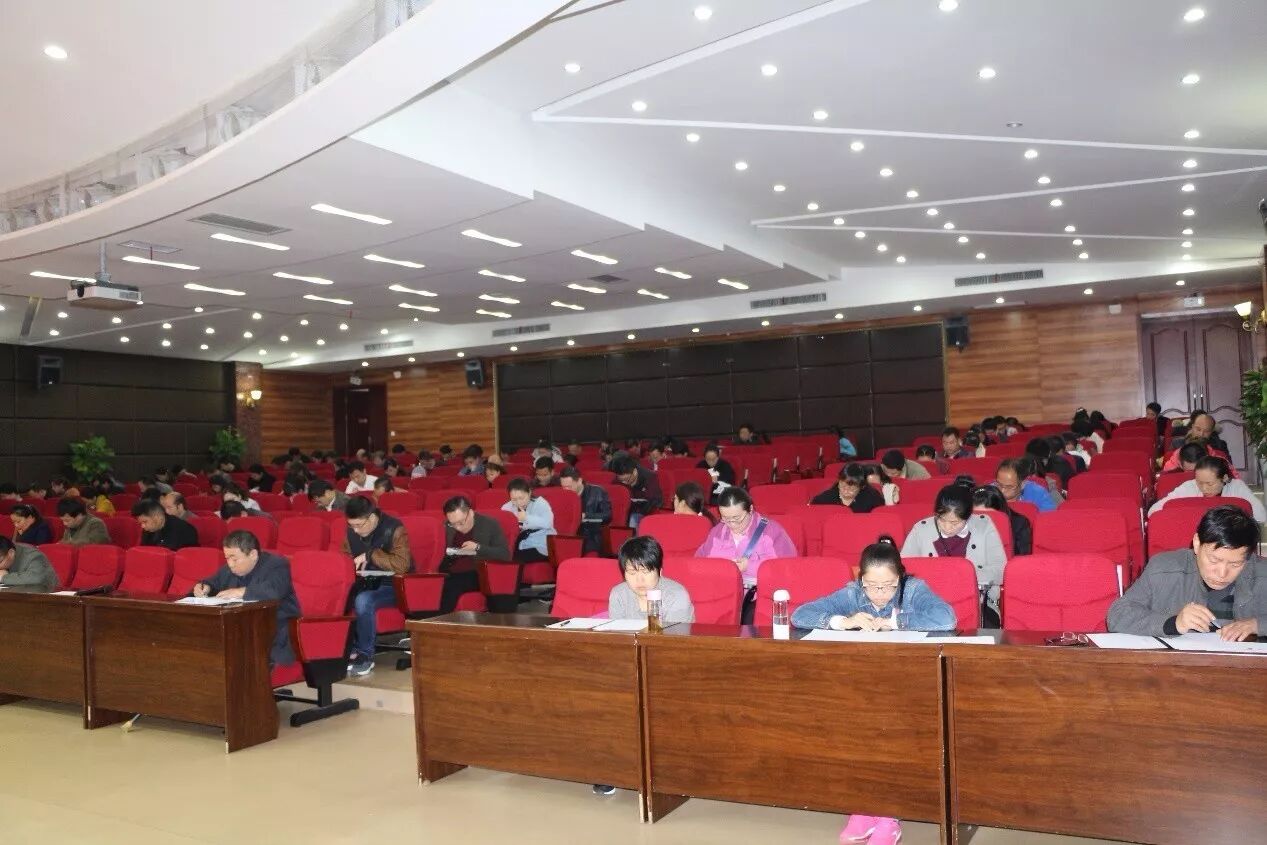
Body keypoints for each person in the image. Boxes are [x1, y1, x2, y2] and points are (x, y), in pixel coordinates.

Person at [1108, 506, 1266, 640]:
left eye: (1235, 564)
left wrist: (1257, 624)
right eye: (1214, 560)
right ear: (1197, 543)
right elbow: (1118, 615)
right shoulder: (1163, 569)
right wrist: (1174, 623)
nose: (1222, 573)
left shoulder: (1262, 573)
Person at [792, 536, 956, 632]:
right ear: (861, 578)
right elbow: (799, 615)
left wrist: (894, 622)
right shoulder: (854, 593)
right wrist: (843, 622)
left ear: (899, 577)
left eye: (888, 585)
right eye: (871, 585)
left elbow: (946, 618)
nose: (879, 593)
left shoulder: (912, 590)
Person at [191, 530, 300, 666]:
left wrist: (241, 592)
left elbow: (274, 591)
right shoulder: (229, 569)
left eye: (234, 559)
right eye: (227, 558)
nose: (230, 564)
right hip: (240, 630)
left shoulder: (277, 565)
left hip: (273, 632)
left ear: (253, 554)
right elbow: (212, 582)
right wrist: (204, 586)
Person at [901, 485, 1007, 621]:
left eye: (954, 523)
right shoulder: (921, 529)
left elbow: (1001, 570)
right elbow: (903, 569)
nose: (947, 527)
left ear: (968, 517)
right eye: (941, 519)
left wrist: (961, 578)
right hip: (930, 604)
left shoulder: (984, 526)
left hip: (979, 603)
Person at [342, 496, 413, 676]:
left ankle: (365, 655)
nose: (355, 530)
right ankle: (348, 648)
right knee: (339, 594)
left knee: (364, 600)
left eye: (359, 525)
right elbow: (344, 558)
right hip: (365, 582)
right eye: (351, 525)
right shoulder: (352, 532)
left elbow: (402, 565)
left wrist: (371, 555)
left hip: (395, 586)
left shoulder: (394, 529)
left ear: (372, 517)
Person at [695, 487, 797, 605]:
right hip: (720, 596)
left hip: (759, 599)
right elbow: (698, 563)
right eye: (725, 518)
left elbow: (787, 568)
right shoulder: (717, 533)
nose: (732, 524)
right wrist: (721, 568)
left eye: (737, 518)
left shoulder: (771, 531)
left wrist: (749, 566)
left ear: (750, 509)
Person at [439, 496, 511, 613]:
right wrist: (452, 552)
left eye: (461, 522)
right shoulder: (447, 526)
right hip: (451, 571)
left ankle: (437, 622)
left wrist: (478, 547)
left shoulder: (489, 524)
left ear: (471, 513)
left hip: (479, 572)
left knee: (451, 586)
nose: (458, 527)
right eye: (453, 524)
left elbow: (504, 554)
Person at [607, 535, 695, 624]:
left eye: (646, 572)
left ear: (660, 572)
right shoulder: (619, 594)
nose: (640, 580)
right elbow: (617, 631)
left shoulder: (676, 595)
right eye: (632, 572)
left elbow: (675, 632)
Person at [1148, 456, 1266, 522]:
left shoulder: (1237, 487)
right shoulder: (1189, 487)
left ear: (1224, 478)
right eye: (1199, 483)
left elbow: (1261, 515)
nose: (1204, 489)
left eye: (1210, 484)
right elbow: (1154, 511)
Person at [558, 467, 612, 555]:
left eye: (569, 486)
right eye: (563, 487)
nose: (566, 490)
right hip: (569, 535)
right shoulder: (562, 495)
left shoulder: (598, 492)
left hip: (591, 534)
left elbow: (607, 516)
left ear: (579, 481)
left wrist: (586, 516)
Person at [501, 478, 556, 563]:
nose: (518, 502)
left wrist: (527, 518)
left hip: (541, 542)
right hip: (518, 543)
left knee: (517, 559)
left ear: (529, 493)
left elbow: (548, 523)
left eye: (521, 498)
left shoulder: (540, 503)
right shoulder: (506, 507)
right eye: (514, 499)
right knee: (504, 556)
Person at [972, 484, 1032, 556]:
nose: (981, 519)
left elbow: (1022, 557)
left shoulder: (1019, 523)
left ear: (1000, 510)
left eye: (988, 515)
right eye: (976, 514)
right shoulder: (964, 522)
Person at [610, 455, 662, 529]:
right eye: (621, 480)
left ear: (634, 472)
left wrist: (639, 508)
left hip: (645, 511)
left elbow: (656, 501)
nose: (624, 483)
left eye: (627, 480)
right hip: (626, 511)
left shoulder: (650, 477)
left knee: (634, 518)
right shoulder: (617, 481)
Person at [810, 464, 885, 512]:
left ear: (861, 486)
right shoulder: (825, 499)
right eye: (842, 486)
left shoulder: (873, 498)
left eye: (851, 489)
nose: (846, 490)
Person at [994, 457, 1058, 512]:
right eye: (999, 484)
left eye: (1009, 487)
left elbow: (1048, 518)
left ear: (1023, 484)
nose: (1002, 491)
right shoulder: (990, 491)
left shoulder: (1039, 494)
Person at [132, 499, 200, 551]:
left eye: (145, 522)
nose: (142, 526)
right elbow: (144, 550)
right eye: (141, 523)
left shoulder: (180, 529)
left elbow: (167, 555)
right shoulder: (149, 529)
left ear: (158, 517)